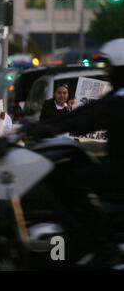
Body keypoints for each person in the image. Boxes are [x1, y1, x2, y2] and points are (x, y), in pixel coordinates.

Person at [26, 38, 124, 263]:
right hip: (117, 162)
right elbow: (88, 111)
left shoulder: (121, 99)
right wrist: (42, 126)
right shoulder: (118, 94)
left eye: (110, 67)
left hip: (121, 167)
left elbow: (91, 118)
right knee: (76, 164)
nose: (107, 72)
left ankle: (97, 235)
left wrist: (49, 128)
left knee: (71, 179)